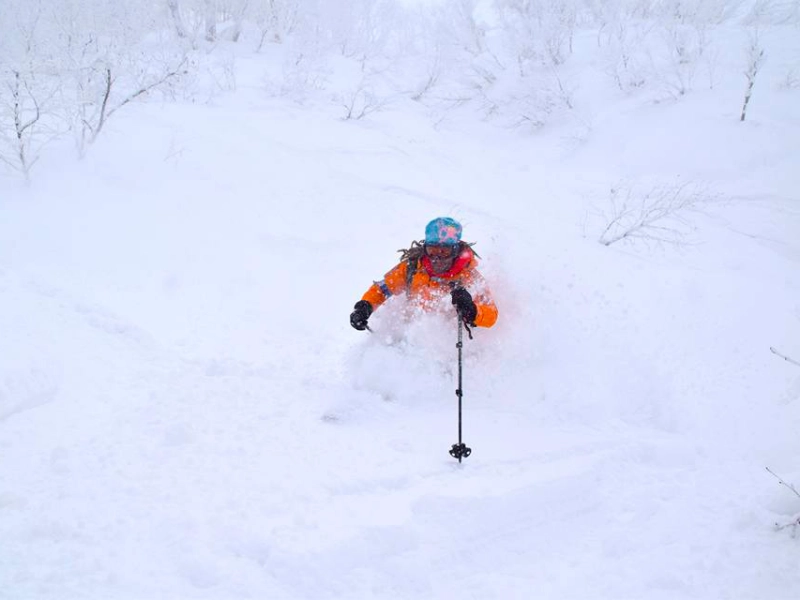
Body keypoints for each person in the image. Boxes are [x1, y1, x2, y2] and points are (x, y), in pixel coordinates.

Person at [350, 217, 498, 332]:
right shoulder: (412, 268)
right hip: (412, 337)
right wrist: (365, 306)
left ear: (455, 250)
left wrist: (472, 311)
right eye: (432, 250)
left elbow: (491, 315)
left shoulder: (469, 277)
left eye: (444, 251)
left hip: (449, 349)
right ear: (425, 248)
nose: (437, 257)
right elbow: (382, 289)